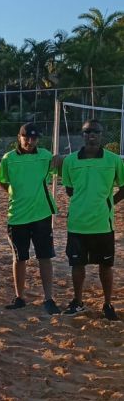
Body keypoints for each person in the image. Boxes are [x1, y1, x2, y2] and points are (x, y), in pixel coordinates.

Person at [61, 119, 124, 321]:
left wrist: (109, 204)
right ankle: (78, 302)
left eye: (96, 131)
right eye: (88, 132)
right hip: (78, 223)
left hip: (103, 224)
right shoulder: (70, 161)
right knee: (77, 265)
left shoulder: (113, 160)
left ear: (101, 135)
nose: (92, 135)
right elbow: (69, 189)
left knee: (106, 266)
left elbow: (123, 187)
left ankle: (107, 304)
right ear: (83, 135)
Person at [0, 123, 61, 314]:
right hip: (17, 216)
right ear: (19, 137)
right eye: (26, 137)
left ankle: (48, 298)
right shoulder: (8, 159)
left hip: (41, 215)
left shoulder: (45, 155)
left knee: (45, 257)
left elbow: (58, 168)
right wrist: (17, 195)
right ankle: (19, 297)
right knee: (20, 257)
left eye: (34, 138)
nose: (30, 141)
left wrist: (60, 160)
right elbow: (2, 181)